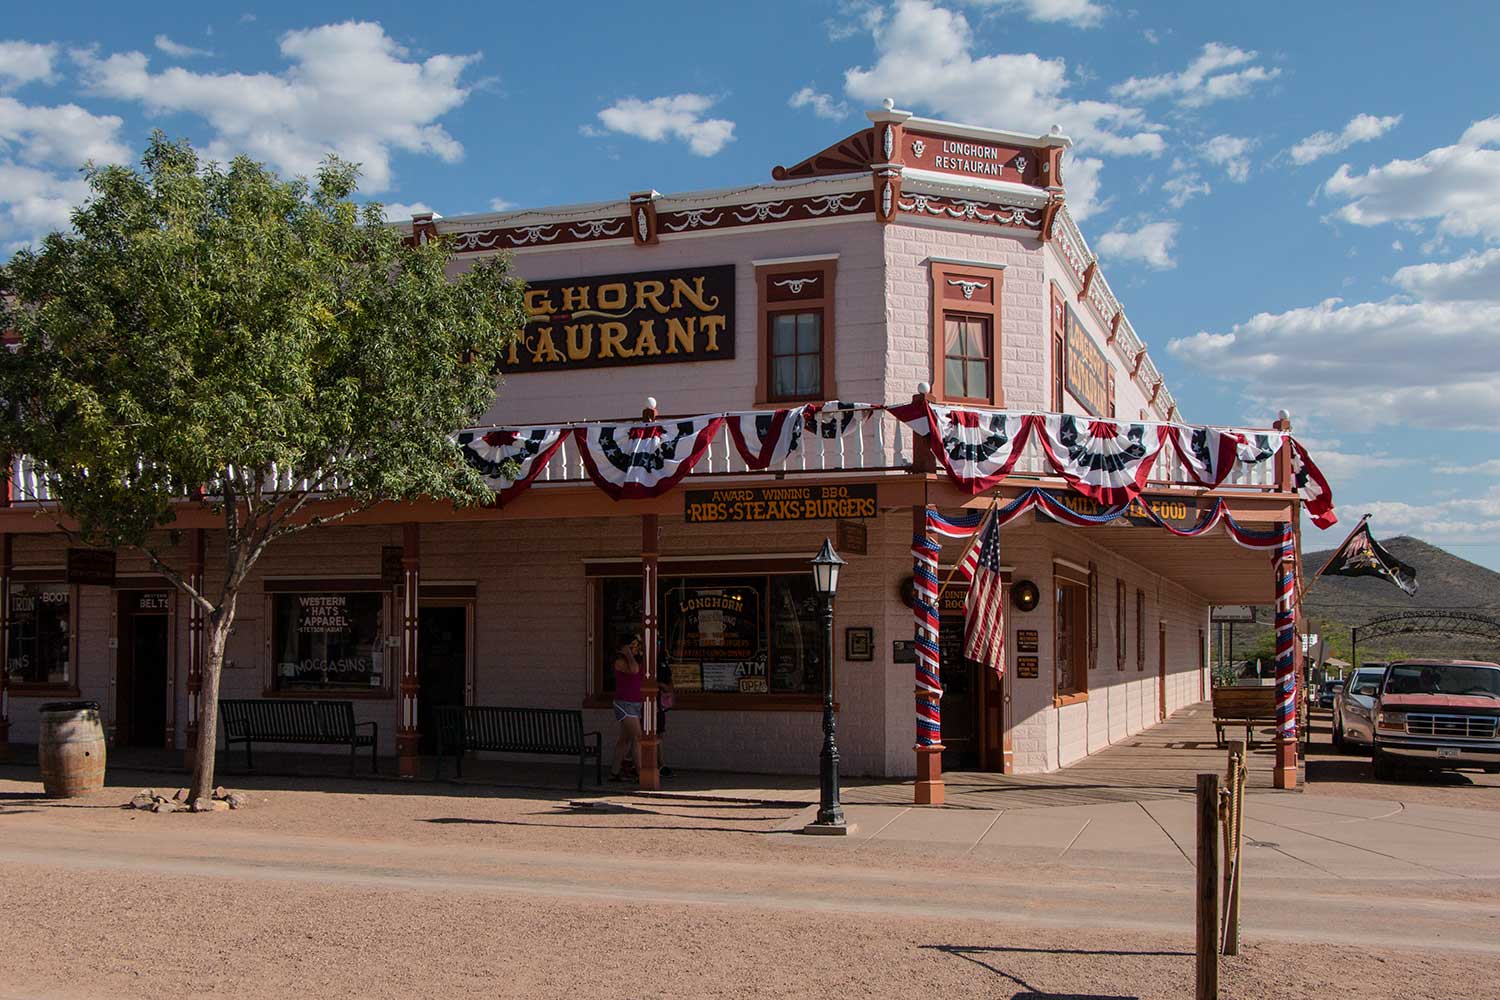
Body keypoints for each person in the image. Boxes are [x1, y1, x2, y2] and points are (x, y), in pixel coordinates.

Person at [609, 634, 644, 782]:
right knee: (638, 737)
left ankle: (614, 771)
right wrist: (628, 654)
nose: (635, 649)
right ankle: (641, 773)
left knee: (625, 739)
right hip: (625, 704)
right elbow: (634, 670)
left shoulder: (637, 660)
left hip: (636, 703)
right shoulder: (620, 662)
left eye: (636, 646)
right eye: (632, 646)